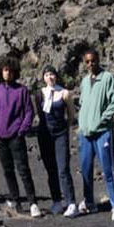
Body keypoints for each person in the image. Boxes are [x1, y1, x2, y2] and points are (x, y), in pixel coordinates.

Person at [0, 56, 41, 217]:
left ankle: (33, 202)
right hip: (0, 137)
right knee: (7, 170)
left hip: (16, 137)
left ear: (15, 72)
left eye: (10, 70)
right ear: (1, 71)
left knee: (23, 170)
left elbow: (29, 112)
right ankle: (15, 199)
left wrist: (22, 130)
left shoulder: (22, 91)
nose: (7, 73)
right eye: (5, 70)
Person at [76, 48, 114, 221]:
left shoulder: (107, 78)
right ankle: (89, 202)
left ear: (98, 59)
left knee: (108, 169)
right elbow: (83, 104)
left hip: (103, 132)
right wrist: (82, 124)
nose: (90, 64)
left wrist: (101, 120)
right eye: (87, 61)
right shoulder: (85, 81)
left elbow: (113, 103)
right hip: (86, 133)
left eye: (93, 60)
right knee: (86, 169)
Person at [35, 66, 77, 216]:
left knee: (63, 169)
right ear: (43, 78)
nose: (50, 77)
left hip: (60, 134)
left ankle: (71, 202)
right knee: (50, 170)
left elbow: (71, 115)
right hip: (45, 135)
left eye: (52, 74)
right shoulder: (40, 94)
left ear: (56, 76)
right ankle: (57, 201)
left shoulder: (64, 93)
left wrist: (66, 129)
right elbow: (38, 114)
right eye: (47, 75)